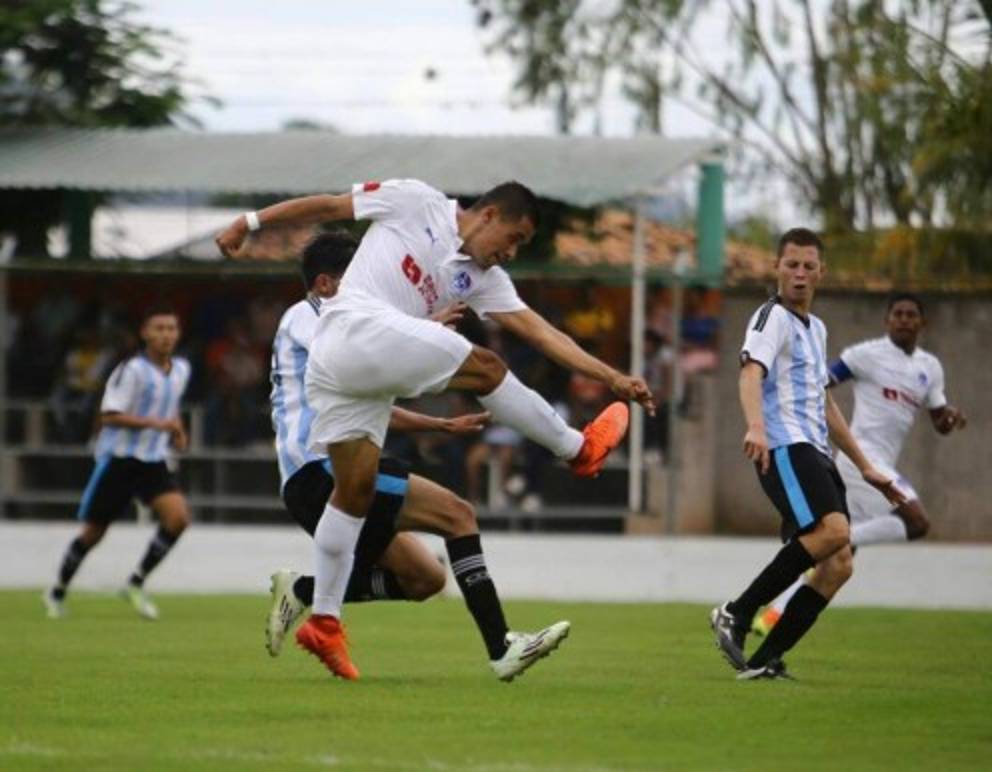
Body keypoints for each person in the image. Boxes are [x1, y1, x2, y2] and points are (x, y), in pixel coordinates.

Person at [218, 180, 654, 680]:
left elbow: (539, 331)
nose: (511, 253)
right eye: (514, 238)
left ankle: (324, 620)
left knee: (354, 494)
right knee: (487, 368)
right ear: (489, 214)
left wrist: (611, 377)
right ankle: (577, 448)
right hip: (350, 332)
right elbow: (331, 205)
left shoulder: (483, 279)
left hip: (351, 374)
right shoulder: (415, 201)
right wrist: (249, 222)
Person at [264, 231, 569, 681]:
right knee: (458, 515)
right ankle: (503, 646)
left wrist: (438, 423)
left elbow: (367, 394)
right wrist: (422, 330)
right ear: (325, 284)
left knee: (425, 578)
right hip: (322, 468)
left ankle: (305, 590)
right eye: (356, 277)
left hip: (330, 468)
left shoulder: (340, 332)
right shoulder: (307, 316)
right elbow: (371, 366)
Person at [709, 228, 904, 680]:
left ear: (821, 273)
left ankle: (763, 661)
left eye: (808, 266)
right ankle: (737, 613)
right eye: (791, 264)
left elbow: (824, 401)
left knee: (839, 564)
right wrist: (756, 427)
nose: (799, 273)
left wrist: (865, 466)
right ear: (777, 268)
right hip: (784, 446)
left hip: (815, 450)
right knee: (834, 532)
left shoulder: (816, 328)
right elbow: (750, 373)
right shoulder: (771, 317)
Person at [752, 292, 968, 634]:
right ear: (887, 320)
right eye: (897, 314)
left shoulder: (930, 368)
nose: (904, 320)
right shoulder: (866, 355)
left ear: (922, 323)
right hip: (861, 461)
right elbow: (821, 381)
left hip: (879, 466)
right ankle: (844, 537)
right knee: (916, 522)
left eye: (911, 314)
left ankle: (771, 617)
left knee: (835, 560)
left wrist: (950, 418)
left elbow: (939, 419)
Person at [43, 304, 193, 621]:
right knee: (94, 533)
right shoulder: (131, 370)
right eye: (159, 328)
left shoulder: (181, 369)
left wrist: (178, 429)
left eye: (171, 328)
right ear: (145, 333)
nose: (166, 335)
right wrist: (158, 425)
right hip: (120, 460)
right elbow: (110, 415)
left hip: (153, 461)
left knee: (178, 518)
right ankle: (57, 591)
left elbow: (170, 407)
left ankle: (135, 582)